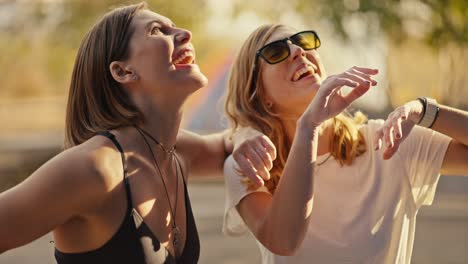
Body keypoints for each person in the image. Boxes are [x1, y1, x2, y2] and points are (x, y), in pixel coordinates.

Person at [0, 3, 272, 264]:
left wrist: (244, 136)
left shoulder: (174, 150)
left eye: (174, 27)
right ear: (123, 71)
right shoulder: (95, 168)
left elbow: (227, 146)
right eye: (156, 30)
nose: (185, 34)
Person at [222, 23, 468, 264]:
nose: (298, 51)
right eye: (276, 51)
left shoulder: (388, 142)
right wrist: (309, 127)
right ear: (261, 96)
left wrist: (424, 110)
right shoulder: (247, 166)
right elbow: (283, 241)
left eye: (302, 41)